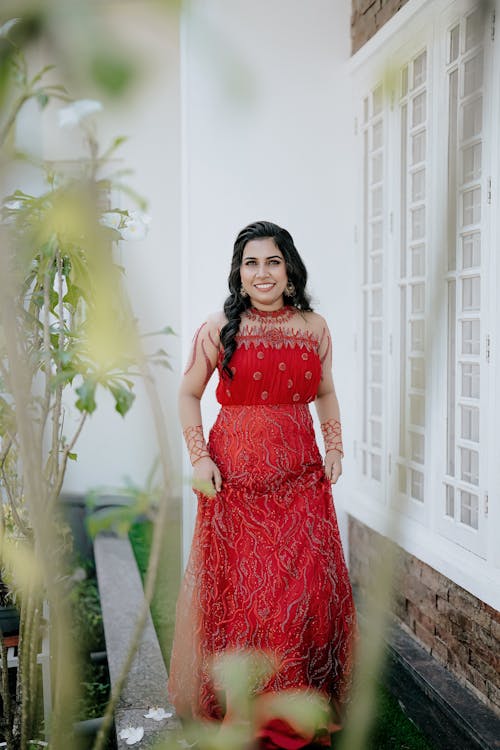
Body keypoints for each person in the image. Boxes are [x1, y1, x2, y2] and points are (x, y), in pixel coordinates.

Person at [169, 221, 356, 749]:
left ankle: (295, 707)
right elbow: (187, 395)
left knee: (301, 590)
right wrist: (199, 458)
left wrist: (335, 446)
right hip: (235, 482)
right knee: (246, 595)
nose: (262, 273)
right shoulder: (217, 327)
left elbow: (325, 393)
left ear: (289, 270)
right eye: (251, 263)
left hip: (300, 478)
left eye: (272, 261)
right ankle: (243, 709)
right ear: (239, 273)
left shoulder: (315, 327)